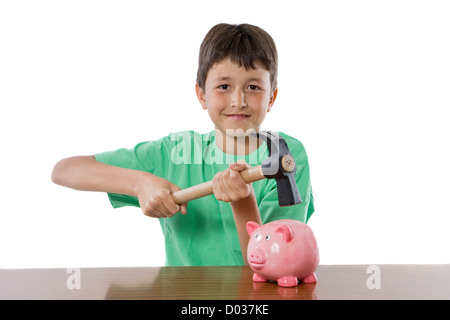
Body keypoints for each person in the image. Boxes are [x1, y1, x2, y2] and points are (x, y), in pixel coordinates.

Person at [51, 23, 314, 266]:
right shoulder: (174, 152)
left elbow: (273, 265)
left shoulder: (287, 154)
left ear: (272, 97)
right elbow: (64, 170)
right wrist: (141, 183)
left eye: (254, 87)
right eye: (224, 86)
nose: (238, 100)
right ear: (201, 94)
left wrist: (243, 201)